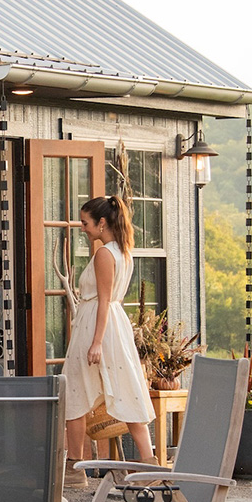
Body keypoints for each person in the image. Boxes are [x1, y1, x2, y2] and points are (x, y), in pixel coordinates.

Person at [61, 195, 156, 486]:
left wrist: (97, 342)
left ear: (102, 223)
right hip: (115, 325)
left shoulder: (104, 254)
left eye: (86, 223)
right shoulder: (123, 251)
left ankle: (74, 468)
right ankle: (148, 463)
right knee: (128, 388)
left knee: (74, 391)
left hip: (97, 326)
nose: (83, 228)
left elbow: (103, 300)